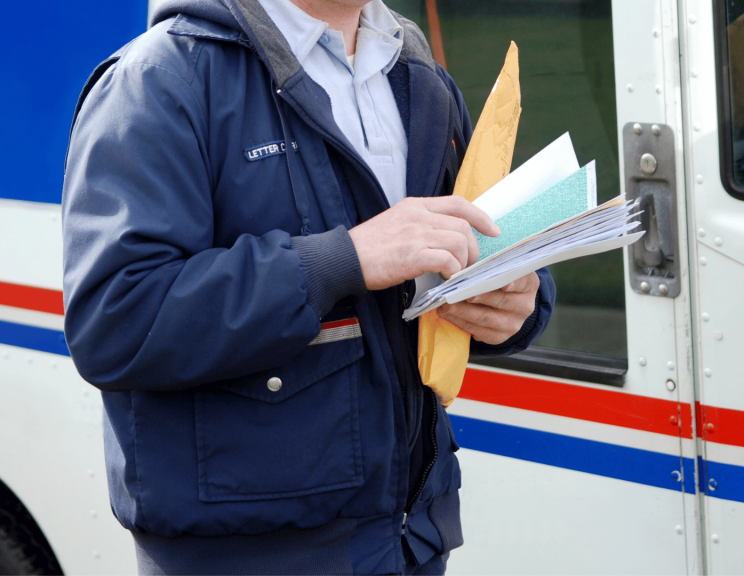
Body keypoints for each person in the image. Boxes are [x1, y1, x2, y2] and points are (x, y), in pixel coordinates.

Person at [61, 0, 555, 573]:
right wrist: (343, 259)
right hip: (248, 555)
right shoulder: (162, 77)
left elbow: (469, 240)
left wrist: (521, 299)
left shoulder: (418, 75)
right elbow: (115, 321)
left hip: (410, 543)